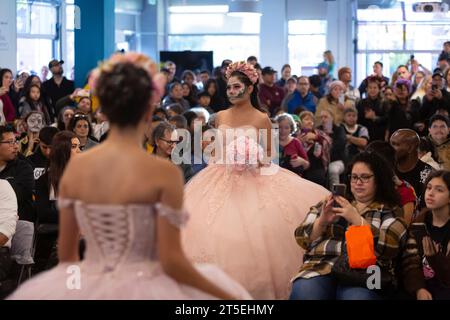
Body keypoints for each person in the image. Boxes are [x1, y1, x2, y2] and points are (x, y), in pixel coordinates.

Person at [8, 52, 251, 300]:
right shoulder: (164, 172)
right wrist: (227, 296)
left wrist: (75, 289)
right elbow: (173, 261)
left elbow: (69, 255)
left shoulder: (79, 167)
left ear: (106, 110)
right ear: (147, 112)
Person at [182, 61, 330, 299]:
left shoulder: (261, 118)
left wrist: (254, 158)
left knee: (261, 231)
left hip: (256, 176)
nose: (231, 91)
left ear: (250, 88)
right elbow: (215, 151)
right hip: (221, 176)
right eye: (229, 87)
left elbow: (272, 155)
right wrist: (216, 150)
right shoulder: (219, 117)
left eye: (236, 86)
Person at [290, 152, 408, 300]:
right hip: (321, 266)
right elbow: (301, 238)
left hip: (368, 273)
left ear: (379, 180)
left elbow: (391, 248)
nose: (358, 182)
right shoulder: (331, 202)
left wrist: (358, 220)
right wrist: (322, 221)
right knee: (305, 293)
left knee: (359, 298)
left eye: (365, 177)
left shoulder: (389, 211)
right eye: (354, 177)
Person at [402, 170, 450, 300]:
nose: (431, 193)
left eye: (439, 190)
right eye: (428, 188)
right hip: (420, 286)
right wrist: (419, 289)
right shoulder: (418, 223)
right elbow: (411, 263)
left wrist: (435, 258)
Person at [0, 126, 35, 223]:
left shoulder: (24, 168)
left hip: (19, 223)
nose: (16, 146)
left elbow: (16, 197)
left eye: (15, 141)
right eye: (10, 142)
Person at [390, 129, 433, 209]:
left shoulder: (428, 174)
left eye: (396, 144)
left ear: (410, 148)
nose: (390, 148)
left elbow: (426, 209)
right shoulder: (388, 168)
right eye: (391, 144)